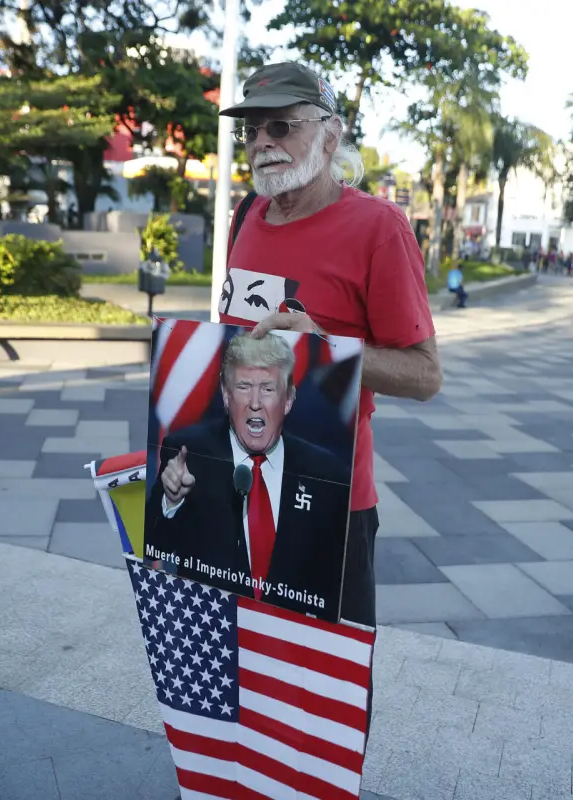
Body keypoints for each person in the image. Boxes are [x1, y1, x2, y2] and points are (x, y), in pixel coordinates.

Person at [212, 61, 442, 635]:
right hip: (236, 488)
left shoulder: (379, 227)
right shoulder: (247, 214)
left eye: (282, 127)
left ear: (330, 135)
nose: (263, 142)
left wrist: (324, 348)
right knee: (244, 673)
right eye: (254, 130)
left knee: (319, 693)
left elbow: (424, 375)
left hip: (328, 502)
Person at [145, 332, 352, 619]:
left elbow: (335, 585)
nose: (255, 403)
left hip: (289, 643)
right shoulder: (186, 454)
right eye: (243, 387)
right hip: (210, 633)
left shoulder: (327, 474)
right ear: (226, 396)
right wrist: (170, 502)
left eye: (267, 389)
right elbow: (155, 546)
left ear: (289, 399)